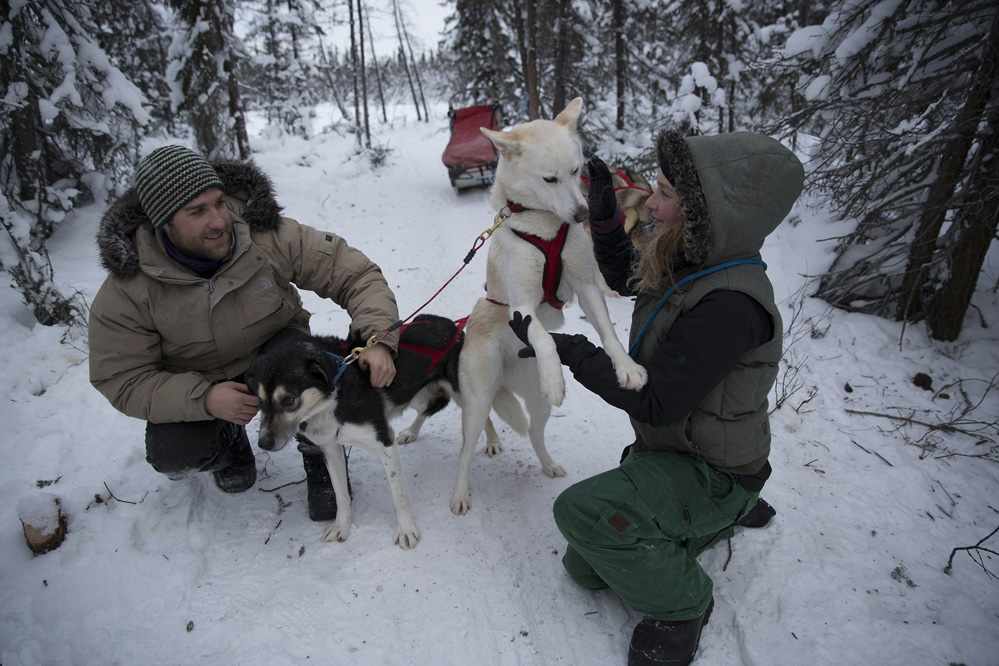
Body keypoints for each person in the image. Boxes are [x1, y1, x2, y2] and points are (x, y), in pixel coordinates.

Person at [509, 129, 803, 666]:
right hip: (679, 452)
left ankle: (685, 606)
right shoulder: (695, 256)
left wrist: (572, 349)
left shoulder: (730, 303)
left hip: (714, 469)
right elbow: (628, 275)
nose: (651, 205)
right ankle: (709, 520)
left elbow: (656, 402)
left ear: (708, 211)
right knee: (584, 568)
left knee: (579, 511)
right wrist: (601, 212)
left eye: (666, 194)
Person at [89, 144, 399, 521]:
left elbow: (354, 273)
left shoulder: (262, 234)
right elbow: (121, 377)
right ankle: (228, 443)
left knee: (306, 370)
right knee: (172, 453)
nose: (219, 220)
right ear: (164, 223)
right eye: (197, 211)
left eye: (219, 202)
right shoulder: (128, 289)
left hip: (277, 353)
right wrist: (203, 400)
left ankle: (319, 453)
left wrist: (375, 338)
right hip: (200, 379)